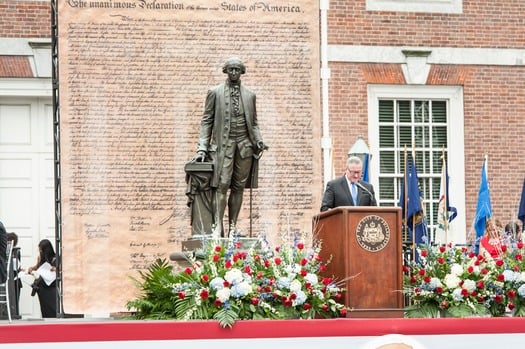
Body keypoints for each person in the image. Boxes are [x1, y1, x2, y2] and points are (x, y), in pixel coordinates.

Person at [193, 56, 266, 236]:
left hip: (244, 146)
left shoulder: (250, 96)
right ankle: (217, 226)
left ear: (242, 72)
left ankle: (233, 229)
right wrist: (202, 147)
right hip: (223, 147)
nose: (234, 72)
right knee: (222, 185)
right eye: (231, 69)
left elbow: (253, 123)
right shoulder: (214, 92)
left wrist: (258, 140)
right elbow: (206, 121)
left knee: (238, 187)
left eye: (237, 69)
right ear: (226, 71)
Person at [27, 239, 57, 318]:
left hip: (51, 286)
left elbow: (61, 270)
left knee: (52, 307)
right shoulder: (40, 257)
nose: (40, 251)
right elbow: (37, 267)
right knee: (44, 308)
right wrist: (31, 269)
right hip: (42, 287)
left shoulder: (55, 258)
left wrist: (55, 269)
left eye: (41, 249)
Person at [7, 232, 22, 318]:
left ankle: (14, 314)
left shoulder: (17, 252)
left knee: (15, 300)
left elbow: (18, 265)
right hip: (9, 279)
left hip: (16, 280)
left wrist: (20, 269)